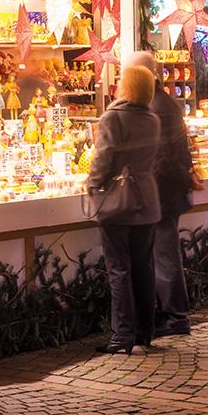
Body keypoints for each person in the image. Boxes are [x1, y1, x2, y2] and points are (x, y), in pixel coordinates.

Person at [88, 65, 163, 355]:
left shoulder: (112, 117)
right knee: (144, 267)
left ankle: (122, 335)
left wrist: (93, 183)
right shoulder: (152, 119)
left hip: (119, 202)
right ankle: (145, 332)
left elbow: (103, 158)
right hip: (147, 200)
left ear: (126, 86)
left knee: (119, 268)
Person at [125, 51, 199, 338]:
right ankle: (170, 312)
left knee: (164, 254)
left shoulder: (155, 107)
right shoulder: (164, 102)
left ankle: (175, 315)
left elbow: (163, 155)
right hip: (166, 191)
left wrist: (144, 184)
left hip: (161, 194)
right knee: (163, 253)